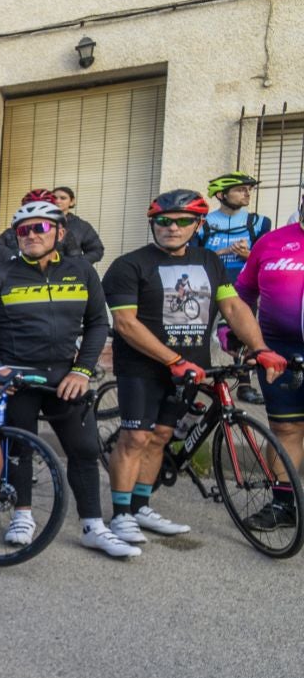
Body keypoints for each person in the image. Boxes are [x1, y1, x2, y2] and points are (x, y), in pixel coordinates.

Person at [104, 189, 287, 546]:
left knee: (159, 438)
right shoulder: (129, 265)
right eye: (164, 221)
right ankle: (122, 514)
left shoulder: (209, 261)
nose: (173, 227)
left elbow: (233, 308)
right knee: (135, 438)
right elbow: (126, 323)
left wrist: (260, 347)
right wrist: (172, 360)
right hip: (143, 367)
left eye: (183, 221)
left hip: (191, 368)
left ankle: (141, 507)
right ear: (153, 223)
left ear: (199, 224)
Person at [0, 201, 128, 556]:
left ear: (60, 233)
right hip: (18, 375)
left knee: (84, 450)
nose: (31, 235)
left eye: (40, 228)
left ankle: (93, 526)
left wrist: (82, 370)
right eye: (23, 230)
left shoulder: (82, 270)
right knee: (20, 449)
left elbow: (99, 323)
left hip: (64, 376)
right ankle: (21, 515)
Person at [233, 204, 304, 528]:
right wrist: (231, 330)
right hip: (278, 352)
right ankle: (283, 504)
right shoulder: (271, 241)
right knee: (285, 428)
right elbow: (243, 291)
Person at [202, 172, 271, 283]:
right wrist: (224, 251)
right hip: (209, 281)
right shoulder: (201, 222)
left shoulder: (260, 222)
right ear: (221, 195)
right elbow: (191, 258)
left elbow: (267, 261)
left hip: (245, 285)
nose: (247, 194)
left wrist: (248, 255)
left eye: (249, 189)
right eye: (240, 190)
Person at [50, 187, 106, 264]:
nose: (58, 201)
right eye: (54, 198)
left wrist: (77, 263)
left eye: (63, 198)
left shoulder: (82, 226)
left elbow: (97, 251)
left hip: (72, 272)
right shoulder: (40, 223)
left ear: (72, 202)